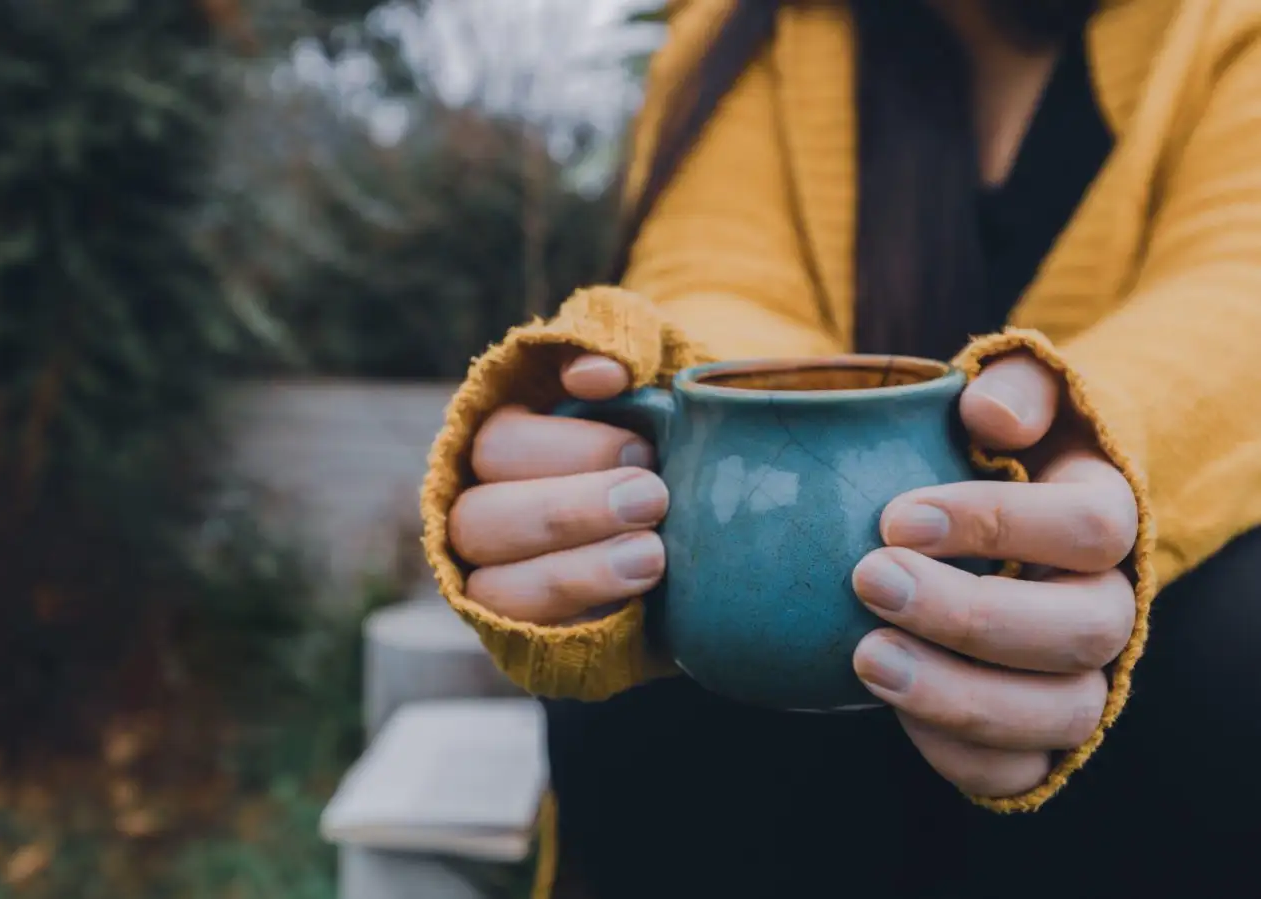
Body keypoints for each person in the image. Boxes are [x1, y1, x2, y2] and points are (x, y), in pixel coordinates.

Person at [420, 0, 1261, 896]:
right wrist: (662, 423)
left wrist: (1089, 443)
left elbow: (1236, 286)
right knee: (673, 635)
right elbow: (714, 276)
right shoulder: (749, 32)